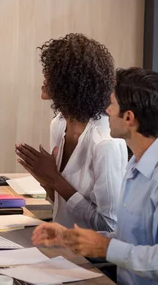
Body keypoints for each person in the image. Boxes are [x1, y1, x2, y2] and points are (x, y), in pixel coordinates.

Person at [33, 67, 158, 284]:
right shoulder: (135, 165)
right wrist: (71, 238)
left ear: (129, 117)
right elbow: (129, 240)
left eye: (112, 104)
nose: (106, 110)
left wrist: (105, 247)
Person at [15, 33, 127, 231]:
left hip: (89, 258)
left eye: (51, 73)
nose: (44, 78)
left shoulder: (105, 143)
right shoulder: (58, 124)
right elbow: (61, 204)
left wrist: (55, 179)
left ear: (70, 83)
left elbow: (110, 227)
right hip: (61, 245)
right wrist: (45, 180)